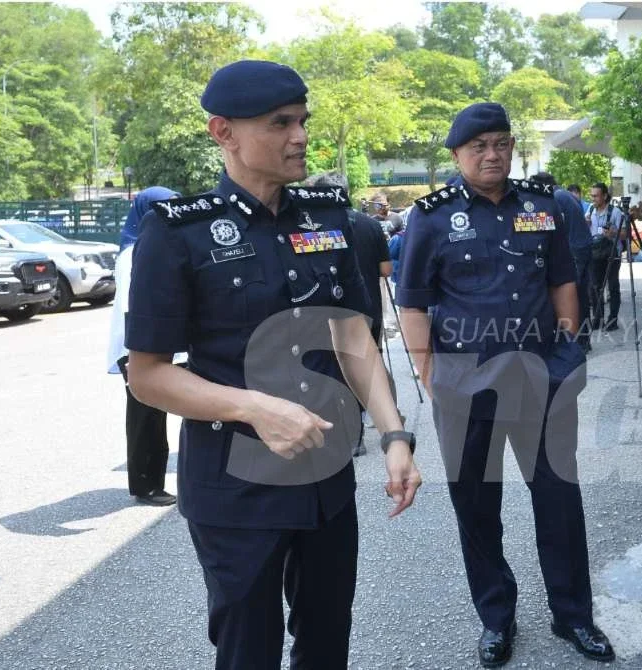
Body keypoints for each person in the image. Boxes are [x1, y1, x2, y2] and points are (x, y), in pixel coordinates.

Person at [124, 60, 421, 669]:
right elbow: (147, 374)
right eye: (280, 123)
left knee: (326, 641)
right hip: (235, 491)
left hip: (326, 481)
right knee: (248, 651)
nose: (301, 136)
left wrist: (395, 434)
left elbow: (354, 341)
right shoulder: (180, 232)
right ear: (223, 132)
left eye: (303, 121)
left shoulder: (329, 220)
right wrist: (252, 407)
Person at [395, 102, 614, 667]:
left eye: (501, 144)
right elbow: (413, 303)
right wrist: (430, 374)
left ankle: (573, 616)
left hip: (542, 377)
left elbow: (564, 279)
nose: (492, 155)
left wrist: (568, 346)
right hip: (465, 388)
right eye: (479, 148)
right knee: (476, 504)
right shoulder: (431, 216)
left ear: (512, 147)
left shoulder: (543, 207)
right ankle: (497, 618)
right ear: (456, 155)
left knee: (559, 499)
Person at [107, 186, 181, 506]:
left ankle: (153, 481)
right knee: (143, 419)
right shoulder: (132, 253)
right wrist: (134, 359)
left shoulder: (150, 244)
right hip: (135, 348)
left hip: (149, 345)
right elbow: (130, 305)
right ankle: (144, 485)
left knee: (156, 414)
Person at [314, 172, 395, 457]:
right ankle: (363, 426)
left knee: (339, 369)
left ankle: (348, 429)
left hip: (331, 311)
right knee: (367, 364)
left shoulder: (315, 228)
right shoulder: (369, 225)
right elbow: (387, 270)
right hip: (368, 305)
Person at [532, 171, 594, 352]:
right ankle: (584, 340)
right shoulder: (565, 194)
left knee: (573, 296)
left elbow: (548, 225)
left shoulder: (556, 197)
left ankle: (578, 341)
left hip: (575, 250)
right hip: (582, 247)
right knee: (582, 295)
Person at [587, 182, 623, 331]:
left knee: (613, 286)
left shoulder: (615, 212)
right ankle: (597, 319)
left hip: (612, 254)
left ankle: (612, 320)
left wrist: (613, 233)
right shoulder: (590, 210)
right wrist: (586, 224)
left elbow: (626, 234)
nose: (593, 199)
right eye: (592, 195)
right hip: (595, 254)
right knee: (595, 287)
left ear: (604, 196)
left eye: (595, 196)